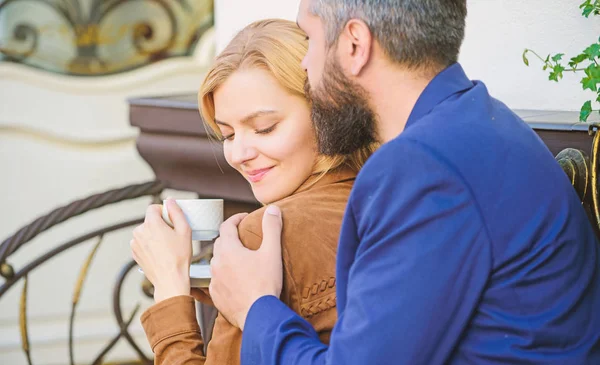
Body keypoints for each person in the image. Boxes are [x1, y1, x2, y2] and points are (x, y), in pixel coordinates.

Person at [207, 0, 600, 364]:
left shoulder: (425, 167)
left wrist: (254, 307)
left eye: (310, 40)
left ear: (355, 45)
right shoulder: (477, 119)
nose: (306, 66)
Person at [129, 19, 376, 365]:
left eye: (264, 128)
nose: (239, 154)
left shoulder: (266, 232)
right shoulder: (384, 196)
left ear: (327, 114)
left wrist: (169, 290)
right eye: (228, 135)